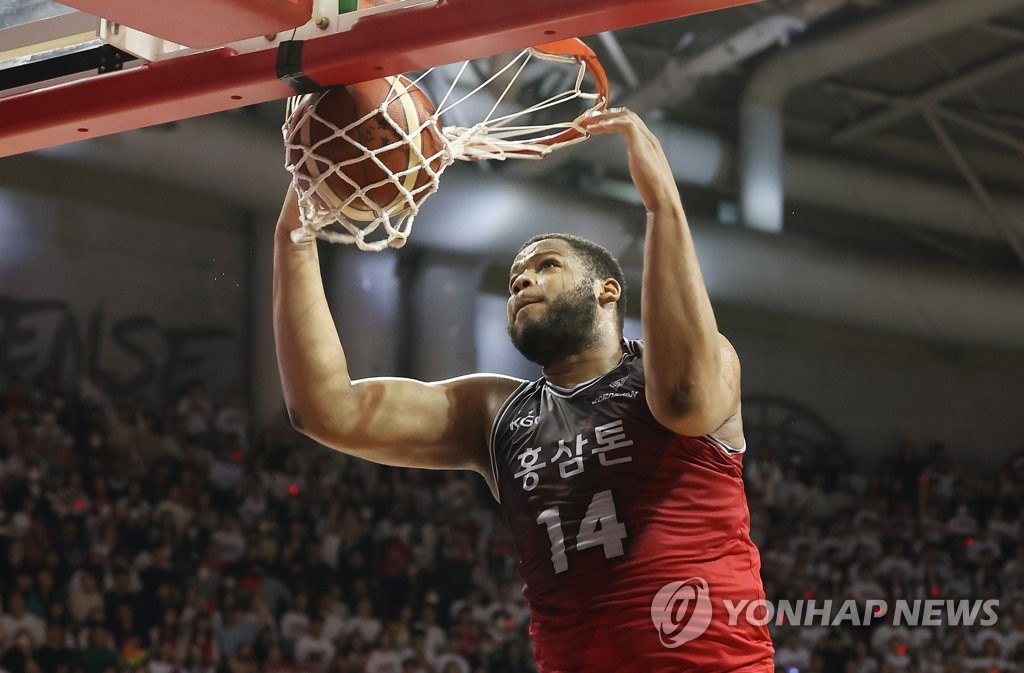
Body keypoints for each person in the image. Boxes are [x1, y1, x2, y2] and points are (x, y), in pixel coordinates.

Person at [274, 108, 774, 671]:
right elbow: (324, 408)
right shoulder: (494, 414)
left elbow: (684, 396)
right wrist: (295, 236)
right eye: (515, 277)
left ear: (608, 291)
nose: (522, 281)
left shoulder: (691, 364)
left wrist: (662, 206)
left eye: (546, 266)